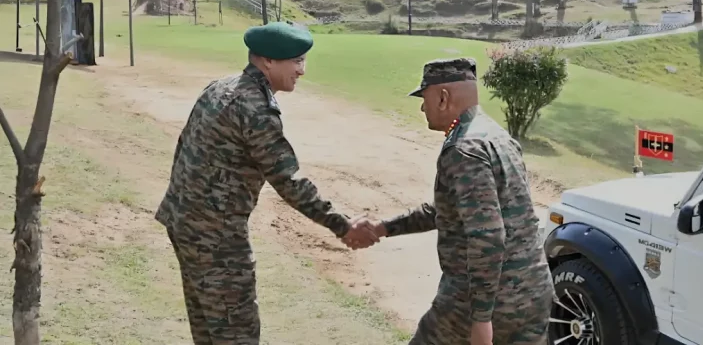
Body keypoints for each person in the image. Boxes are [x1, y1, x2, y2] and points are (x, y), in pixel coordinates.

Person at [154, 22, 377, 345]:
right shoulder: (255, 108)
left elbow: (183, 146)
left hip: (183, 222)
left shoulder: (221, 87)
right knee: (236, 333)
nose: (302, 70)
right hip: (216, 237)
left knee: (208, 329)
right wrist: (342, 225)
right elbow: (289, 180)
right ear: (268, 61)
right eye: (296, 61)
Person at [353, 57, 554, 345]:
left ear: (443, 98)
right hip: (533, 293)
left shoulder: (463, 149)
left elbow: (488, 236)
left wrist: (481, 319)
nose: (423, 108)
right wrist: (383, 228)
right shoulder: (497, 136)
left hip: (486, 304)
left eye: (425, 98)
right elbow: (452, 210)